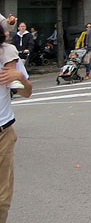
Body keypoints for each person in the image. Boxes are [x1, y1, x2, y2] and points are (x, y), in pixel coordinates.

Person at [0, 30, 32, 223]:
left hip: (3, 134)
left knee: (2, 198)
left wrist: (20, 77)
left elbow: (27, 92)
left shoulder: (8, 55)